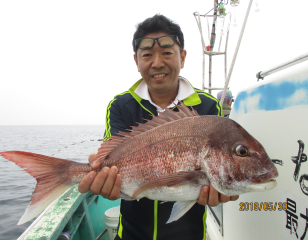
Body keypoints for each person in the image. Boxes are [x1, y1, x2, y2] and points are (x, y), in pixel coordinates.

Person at [79, 14, 239, 240]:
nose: (157, 63)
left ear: (182, 58)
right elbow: (109, 158)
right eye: (147, 55)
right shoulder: (121, 105)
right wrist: (103, 176)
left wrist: (219, 186)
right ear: (136, 61)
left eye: (166, 53)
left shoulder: (208, 105)